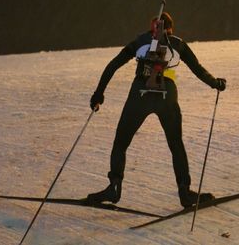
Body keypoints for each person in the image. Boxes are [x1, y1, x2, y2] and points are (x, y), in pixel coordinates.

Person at [87, 12, 226, 208]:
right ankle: (185, 192)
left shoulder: (141, 40)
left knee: (121, 142)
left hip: (139, 94)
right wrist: (216, 83)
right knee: (175, 144)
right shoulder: (177, 43)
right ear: (171, 28)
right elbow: (198, 68)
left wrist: (99, 94)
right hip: (166, 95)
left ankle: (114, 187)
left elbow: (114, 65)